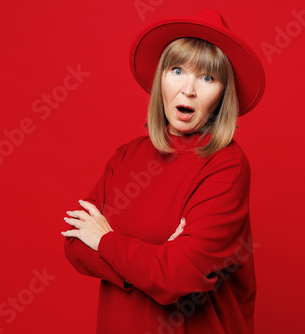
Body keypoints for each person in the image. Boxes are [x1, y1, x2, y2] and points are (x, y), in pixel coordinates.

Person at [61, 9, 265, 334]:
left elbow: (178, 277)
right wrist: (157, 261)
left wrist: (106, 240)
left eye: (207, 77)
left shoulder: (226, 163)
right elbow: (75, 245)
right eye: (178, 70)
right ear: (161, 79)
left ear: (223, 94)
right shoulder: (126, 156)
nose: (189, 90)